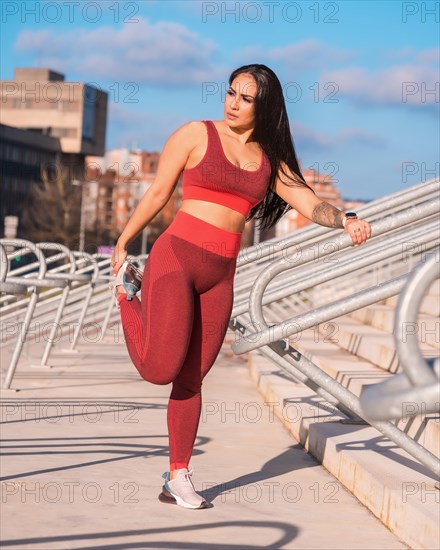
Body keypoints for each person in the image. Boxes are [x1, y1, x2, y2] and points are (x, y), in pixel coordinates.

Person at [109, 63, 372, 510]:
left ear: (264, 106)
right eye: (231, 92)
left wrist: (344, 219)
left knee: (192, 379)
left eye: (246, 98)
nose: (233, 103)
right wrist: (123, 243)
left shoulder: (270, 160)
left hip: (220, 276)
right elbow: (157, 194)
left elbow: (307, 201)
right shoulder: (195, 134)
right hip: (176, 259)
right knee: (159, 369)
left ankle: (178, 476)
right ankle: (124, 294)